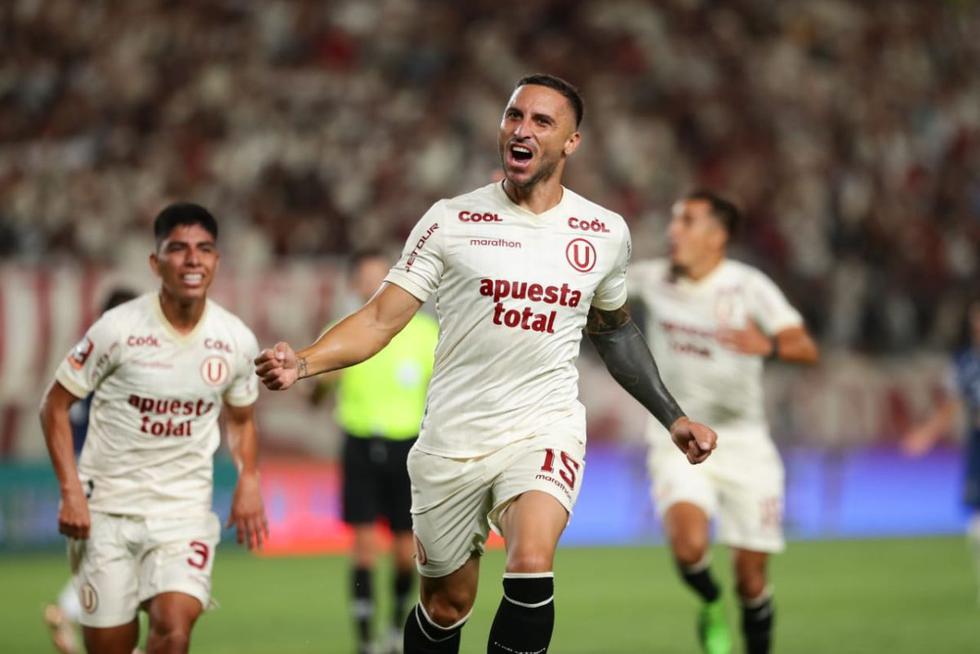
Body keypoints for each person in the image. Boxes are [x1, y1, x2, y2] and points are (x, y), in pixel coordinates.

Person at [256, 73, 717, 654]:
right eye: (513, 116)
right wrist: (303, 362)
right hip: (452, 439)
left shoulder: (603, 233)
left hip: (542, 426)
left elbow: (613, 330)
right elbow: (380, 319)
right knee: (446, 605)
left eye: (541, 121)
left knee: (529, 561)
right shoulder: (451, 221)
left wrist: (672, 416)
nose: (521, 130)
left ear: (572, 142)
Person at [39, 203, 269, 654]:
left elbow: (241, 420)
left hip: (183, 512)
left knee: (174, 628)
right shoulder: (118, 330)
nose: (192, 260)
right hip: (106, 511)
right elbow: (54, 406)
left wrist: (249, 479)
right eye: (178, 249)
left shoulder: (235, 338)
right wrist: (71, 492)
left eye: (204, 249)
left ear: (217, 261)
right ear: (155, 261)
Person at [628, 191, 820, 654]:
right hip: (678, 434)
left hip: (745, 443)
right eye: (675, 220)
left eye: (687, 222)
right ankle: (710, 602)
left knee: (751, 580)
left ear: (717, 236)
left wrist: (768, 345)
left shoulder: (749, 286)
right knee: (689, 549)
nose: (674, 231)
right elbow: (584, 279)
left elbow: (806, 347)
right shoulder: (652, 279)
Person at [311, 249, 438, 654]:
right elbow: (315, 396)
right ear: (354, 284)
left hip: (409, 448)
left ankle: (395, 630)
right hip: (361, 445)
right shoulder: (340, 331)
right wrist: (321, 383)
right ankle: (365, 640)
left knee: (406, 552)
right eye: (365, 278)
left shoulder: (425, 332)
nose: (374, 285)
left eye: (381, 277)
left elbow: (443, 391)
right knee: (364, 546)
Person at [43, 287, 140, 654]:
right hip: (112, 476)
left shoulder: (82, 360)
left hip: (84, 474)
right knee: (123, 562)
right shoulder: (120, 363)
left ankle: (71, 612)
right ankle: (70, 610)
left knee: (111, 561)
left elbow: (57, 413)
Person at [903, 298, 980, 600]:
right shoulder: (965, 362)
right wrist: (926, 434)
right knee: (976, 522)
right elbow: (950, 405)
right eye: (975, 320)